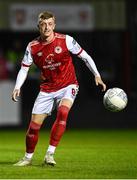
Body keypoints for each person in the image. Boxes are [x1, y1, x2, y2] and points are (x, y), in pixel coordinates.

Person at [12, 11, 106, 167]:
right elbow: (24, 68)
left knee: (63, 112)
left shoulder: (66, 40)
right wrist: (17, 87)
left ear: (54, 25)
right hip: (47, 89)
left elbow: (85, 56)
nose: (47, 28)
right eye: (43, 24)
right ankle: (27, 158)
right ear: (38, 27)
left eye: (50, 24)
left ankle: (50, 154)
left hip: (68, 84)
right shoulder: (33, 46)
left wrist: (97, 75)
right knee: (34, 128)